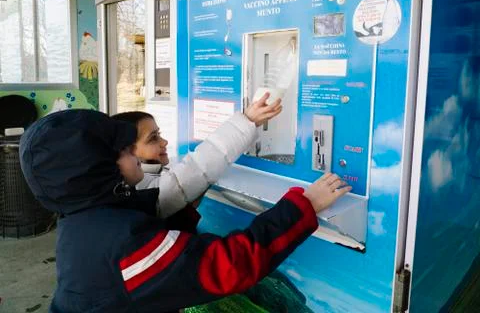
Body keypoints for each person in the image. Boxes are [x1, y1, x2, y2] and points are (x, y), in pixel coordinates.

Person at [20, 109, 351, 313]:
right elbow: (232, 265)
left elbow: (159, 211)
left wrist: (186, 208)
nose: (134, 155)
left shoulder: (84, 221)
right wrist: (305, 205)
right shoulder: (123, 244)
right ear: (97, 169)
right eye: (122, 150)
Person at [111, 93, 281, 233]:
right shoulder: (143, 190)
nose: (164, 142)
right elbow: (197, 168)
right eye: (153, 138)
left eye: (159, 134)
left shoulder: (139, 183)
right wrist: (247, 121)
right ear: (127, 152)